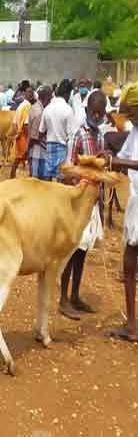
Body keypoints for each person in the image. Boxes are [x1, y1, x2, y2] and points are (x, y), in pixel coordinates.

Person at [58, 90, 107, 320]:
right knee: (72, 249)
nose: (96, 116)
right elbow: (68, 168)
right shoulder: (78, 135)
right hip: (78, 200)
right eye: (93, 112)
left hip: (93, 202)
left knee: (83, 251)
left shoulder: (101, 137)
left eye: (100, 113)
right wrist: (79, 183)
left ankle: (76, 295)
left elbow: (103, 171)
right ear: (87, 111)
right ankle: (63, 298)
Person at [109, 82, 138, 342]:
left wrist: (114, 161)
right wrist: (108, 158)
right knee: (129, 265)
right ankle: (131, 324)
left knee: (131, 262)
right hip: (135, 203)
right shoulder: (135, 132)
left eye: (131, 112)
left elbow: (132, 162)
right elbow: (125, 158)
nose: (129, 118)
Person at [39, 79, 76, 181]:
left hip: (49, 147)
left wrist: (46, 145)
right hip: (63, 148)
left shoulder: (47, 109)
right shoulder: (68, 110)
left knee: (48, 180)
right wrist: (69, 158)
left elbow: (40, 133)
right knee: (62, 181)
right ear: (67, 94)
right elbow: (71, 137)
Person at [10, 87, 34, 179]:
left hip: (19, 136)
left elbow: (14, 122)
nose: (31, 95)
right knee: (29, 157)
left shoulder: (21, 106)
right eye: (30, 93)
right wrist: (28, 138)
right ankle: (31, 178)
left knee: (18, 157)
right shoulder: (27, 106)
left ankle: (12, 177)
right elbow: (26, 124)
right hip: (24, 136)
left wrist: (17, 134)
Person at [29, 86, 52, 180]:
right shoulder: (40, 112)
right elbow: (35, 137)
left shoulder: (35, 107)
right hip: (39, 153)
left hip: (36, 152)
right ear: (46, 98)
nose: (50, 101)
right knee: (39, 183)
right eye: (50, 98)